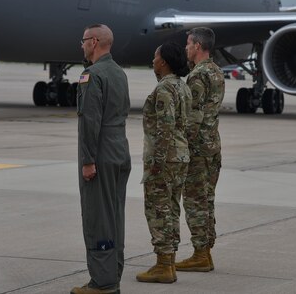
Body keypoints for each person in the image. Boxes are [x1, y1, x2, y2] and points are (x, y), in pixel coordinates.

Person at [71, 24, 131, 294]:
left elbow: (90, 121)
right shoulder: (119, 73)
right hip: (120, 151)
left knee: (98, 217)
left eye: (83, 40)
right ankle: (113, 274)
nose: (81, 45)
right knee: (115, 216)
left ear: (94, 42)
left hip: (101, 154)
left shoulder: (92, 75)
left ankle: (103, 283)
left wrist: (87, 160)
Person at [136, 42, 192, 284]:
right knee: (171, 208)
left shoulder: (165, 89)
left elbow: (165, 127)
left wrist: (157, 161)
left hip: (165, 158)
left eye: (156, 57)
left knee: (158, 210)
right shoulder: (183, 87)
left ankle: (163, 264)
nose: (153, 61)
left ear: (165, 62)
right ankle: (169, 261)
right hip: (180, 156)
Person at [177, 27, 225, 272]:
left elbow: (192, 118)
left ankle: (200, 254)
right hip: (213, 146)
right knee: (207, 199)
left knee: (195, 201)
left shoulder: (197, 76)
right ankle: (206, 249)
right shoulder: (216, 72)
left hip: (198, 150)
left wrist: (181, 148)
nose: (186, 48)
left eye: (188, 44)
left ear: (197, 46)